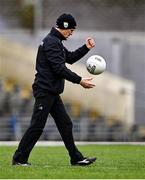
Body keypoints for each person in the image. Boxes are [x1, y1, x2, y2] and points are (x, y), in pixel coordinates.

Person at [12, 13, 96, 166]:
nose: (72, 33)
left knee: (66, 124)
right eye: (71, 29)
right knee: (37, 126)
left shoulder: (55, 41)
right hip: (45, 91)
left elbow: (69, 58)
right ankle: (19, 159)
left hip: (52, 92)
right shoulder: (51, 42)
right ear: (64, 26)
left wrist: (86, 48)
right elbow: (59, 68)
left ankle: (76, 158)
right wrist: (79, 80)